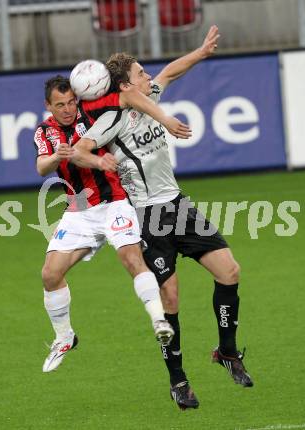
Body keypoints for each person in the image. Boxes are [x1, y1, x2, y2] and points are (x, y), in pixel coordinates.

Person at [73, 25, 253, 410]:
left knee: (230, 271)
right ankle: (179, 380)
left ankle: (227, 351)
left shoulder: (150, 95)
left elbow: (170, 71)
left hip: (178, 205)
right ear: (124, 86)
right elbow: (78, 150)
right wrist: (98, 159)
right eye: (140, 74)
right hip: (148, 216)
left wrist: (201, 52)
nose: (148, 77)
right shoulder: (110, 121)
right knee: (169, 297)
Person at [35, 75, 192, 373]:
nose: (68, 109)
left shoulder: (92, 114)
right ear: (48, 106)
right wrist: (58, 155)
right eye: (60, 105)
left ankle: (159, 318)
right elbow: (42, 166)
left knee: (131, 259)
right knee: (50, 274)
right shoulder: (45, 131)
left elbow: (131, 97)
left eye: (71, 102)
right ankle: (65, 337)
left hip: (116, 201)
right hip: (79, 209)